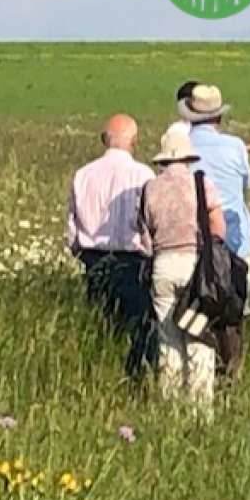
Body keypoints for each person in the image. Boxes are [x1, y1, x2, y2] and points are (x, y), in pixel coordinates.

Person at [137, 127, 224, 411]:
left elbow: (144, 233)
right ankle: (200, 409)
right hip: (194, 264)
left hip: (162, 263)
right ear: (188, 158)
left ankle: (171, 404)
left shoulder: (150, 188)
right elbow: (218, 227)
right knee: (198, 335)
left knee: (168, 337)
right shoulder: (201, 183)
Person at [67, 113, 156, 374]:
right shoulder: (142, 175)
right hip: (131, 260)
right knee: (138, 326)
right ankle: (135, 376)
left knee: (100, 324)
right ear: (134, 141)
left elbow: (72, 226)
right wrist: (150, 254)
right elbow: (147, 224)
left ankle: (98, 370)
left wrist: (79, 252)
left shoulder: (83, 175)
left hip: (92, 258)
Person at [176, 83, 250, 373]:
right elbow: (246, 183)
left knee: (195, 312)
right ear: (219, 116)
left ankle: (198, 372)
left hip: (193, 242)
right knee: (233, 314)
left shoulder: (182, 147)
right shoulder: (235, 146)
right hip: (234, 241)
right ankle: (232, 371)